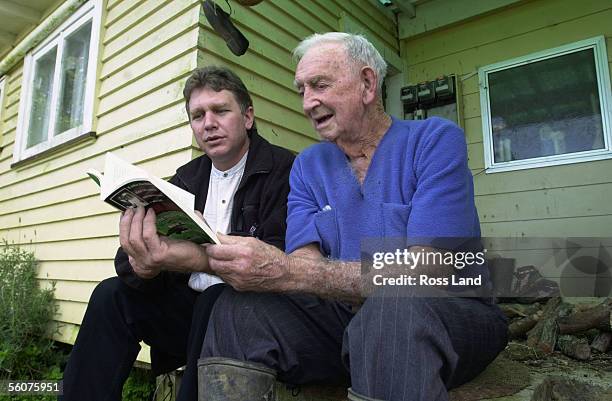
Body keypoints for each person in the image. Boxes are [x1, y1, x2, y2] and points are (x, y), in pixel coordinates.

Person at [198, 33, 509, 401]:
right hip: (348, 321)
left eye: (319, 85)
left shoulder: (434, 141)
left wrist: (294, 271)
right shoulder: (308, 166)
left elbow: (431, 271)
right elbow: (304, 262)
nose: (307, 102)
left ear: (367, 83)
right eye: (301, 90)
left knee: (392, 308)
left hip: (451, 314)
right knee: (235, 308)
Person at [59, 66, 295, 401]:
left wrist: (205, 258)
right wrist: (144, 265)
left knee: (216, 299)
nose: (208, 123)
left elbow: (282, 258)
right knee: (111, 295)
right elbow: (131, 265)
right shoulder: (186, 179)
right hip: (186, 315)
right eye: (197, 115)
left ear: (247, 117)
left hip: (252, 320)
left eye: (220, 110)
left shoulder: (284, 171)